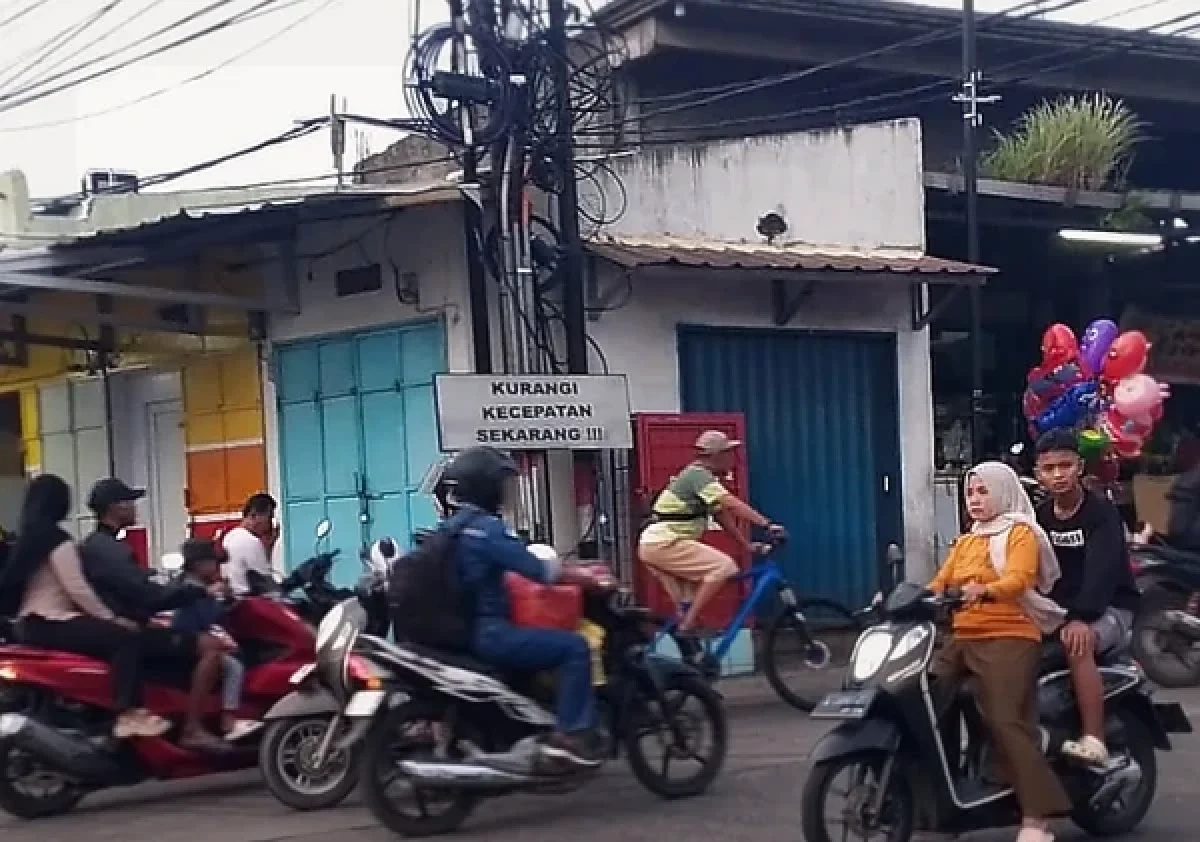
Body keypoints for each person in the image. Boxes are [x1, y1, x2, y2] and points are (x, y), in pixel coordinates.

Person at [440, 446, 612, 770]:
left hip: (461, 630)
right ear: (485, 487)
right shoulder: (487, 530)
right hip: (490, 632)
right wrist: (587, 577)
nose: (505, 494)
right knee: (575, 647)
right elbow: (539, 570)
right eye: (501, 485)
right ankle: (570, 736)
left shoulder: (451, 528)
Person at [928, 461, 1071, 842]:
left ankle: (1037, 817)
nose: (974, 500)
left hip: (1009, 635)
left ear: (1003, 491)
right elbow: (939, 583)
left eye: (982, 491)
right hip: (962, 636)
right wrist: (906, 599)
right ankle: (938, 800)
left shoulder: (1020, 533)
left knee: (1006, 719)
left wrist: (984, 590)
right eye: (970, 493)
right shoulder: (968, 539)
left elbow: (1020, 578)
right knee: (922, 701)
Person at [0, 475, 169, 738]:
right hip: (52, 621)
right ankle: (129, 713)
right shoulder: (57, 539)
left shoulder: (28, 538)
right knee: (125, 640)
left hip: (28, 625)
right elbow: (76, 588)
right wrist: (111, 618)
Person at [81, 477, 229, 751]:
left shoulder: (99, 545)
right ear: (116, 508)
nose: (135, 508)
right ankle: (193, 729)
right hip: (129, 629)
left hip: (125, 624)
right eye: (130, 502)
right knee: (211, 647)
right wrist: (196, 592)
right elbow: (146, 594)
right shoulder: (110, 550)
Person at [1034, 430, 1140, 767]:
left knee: (1077, 643)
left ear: (1079, 466)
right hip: (1060, 611)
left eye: (1065, 465)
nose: (1058, 475)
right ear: (1038, 473)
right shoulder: (1041, 516)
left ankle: (1094, 739)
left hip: (1110, 608)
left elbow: (1103, 572)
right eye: (1049, 468)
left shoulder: (1101, 514)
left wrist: (1080, 617)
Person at [638, 431, 784, 652]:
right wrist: (767, 524)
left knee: (687, 604)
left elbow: (722, 514)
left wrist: (745, 545)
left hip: (657, 545)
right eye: (729, 453)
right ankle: (687, 627)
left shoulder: (701, 480)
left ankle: (690, 661)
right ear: (716, 456)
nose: (732, 459)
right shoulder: (698, 475)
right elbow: (730, 503)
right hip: (664, 544)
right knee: (723, 568)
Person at [171, 539, 260, 742]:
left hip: (194, 637)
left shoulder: (195, 585)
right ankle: (228, 719)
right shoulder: (192, 589)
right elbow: (205, 618)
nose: (217, 568)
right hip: (191, 641)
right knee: (234, 666)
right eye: (214, 563)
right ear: (198, 565)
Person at [222, 493, 277, 596]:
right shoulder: (251, 541)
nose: (270, 524)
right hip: (249, 599)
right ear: (254, 515)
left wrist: (269, 545)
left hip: (234, 597)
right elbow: (266, 580)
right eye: (269, 517)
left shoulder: (229, 536)